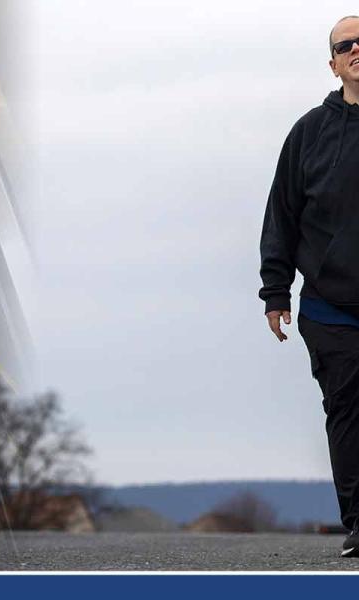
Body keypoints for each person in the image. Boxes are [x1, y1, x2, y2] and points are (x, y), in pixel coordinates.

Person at [259, 15, 359, 558]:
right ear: (333, 62)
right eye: (347, 45)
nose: (357, 50)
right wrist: (276, 292)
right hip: (330, 306)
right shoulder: (308, 134)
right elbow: (282, 215)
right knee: (346, 414)